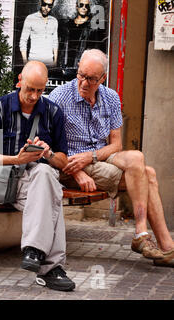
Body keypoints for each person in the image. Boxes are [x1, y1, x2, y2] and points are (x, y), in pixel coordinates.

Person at [49, 49, 174, 267]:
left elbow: (116, 144)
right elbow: (50, 147)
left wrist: (92, 156)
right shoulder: (59, 98)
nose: (84, 83)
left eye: (91, 79)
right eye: (81, 75)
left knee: (138, 158)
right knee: (149, 175)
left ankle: (143, 234)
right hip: (71, 164)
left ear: (103, 78)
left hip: (97, 157)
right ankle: (162, 244)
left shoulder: (111, 98)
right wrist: (78, 169)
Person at [0, 61, 75, 291]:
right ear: (19, 82)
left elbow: (63, 162)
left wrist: (48, 153)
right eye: (30, 89)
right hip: (7, 180)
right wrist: (17, 160)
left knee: (45, 171)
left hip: (41, 178)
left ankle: (34, 251)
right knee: (52, 199)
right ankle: (51, 268)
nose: (34, 96)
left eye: (40, 91)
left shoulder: (53, 112)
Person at [58, 0, 106, 76]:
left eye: (86, 6)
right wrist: (60, 66)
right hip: (66, 67)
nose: (84, 8)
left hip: (83, 69)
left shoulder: (92, 27)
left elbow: (96, 50)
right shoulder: (68, 25)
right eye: (81, 5)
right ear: (76, 6)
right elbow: (62, 47)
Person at [19, 0, 58, 67]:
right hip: (34, 62)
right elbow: (23, 41)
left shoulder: (54, 21)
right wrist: (25, 62)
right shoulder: (30, 18)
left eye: (49, 6)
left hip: (50, 63)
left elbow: (55, 41)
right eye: (44, 4)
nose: (46, 8)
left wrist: (55, 61)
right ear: (40, 3)